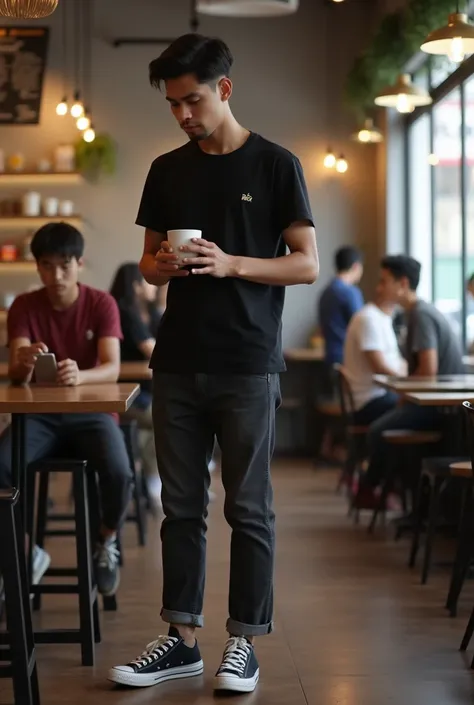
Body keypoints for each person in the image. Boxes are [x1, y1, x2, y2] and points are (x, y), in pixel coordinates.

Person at [109, 33, 318, 694]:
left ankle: (244, 642)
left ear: (224, 89)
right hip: (176, 362)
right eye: (172, 104)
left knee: (248, 507)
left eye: (191, 100)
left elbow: (307, 263)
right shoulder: (167, 170)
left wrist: (232, 264)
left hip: (249, 363)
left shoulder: (277, 165)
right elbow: (145, 263)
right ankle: (181, 639)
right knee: (181, 507)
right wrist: (162, 265)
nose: (182, 115)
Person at [0, 223, 132, 596]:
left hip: (93, 413)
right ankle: (26, 554)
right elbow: (15, 371)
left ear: (79, 263)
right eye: (47, 265)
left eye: (64, 265)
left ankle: (105, 541)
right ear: (37, 267)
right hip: (38, 417)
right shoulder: (25, 306)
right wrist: (24, 361)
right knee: (0, 466)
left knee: (120, 473)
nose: (56, 275)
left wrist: (81, 375)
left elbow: (112, 366)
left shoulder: (101, 303)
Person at [355, 255, 464, 508]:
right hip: (439, 406)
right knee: (386, 426)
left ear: (403, 283)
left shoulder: (421, 315)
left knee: (377, 431)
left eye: (385, 281)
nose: (379, 288)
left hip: (441, 409)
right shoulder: (416, 313)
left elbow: (428, 371)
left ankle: (374, 492)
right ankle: (400, 497)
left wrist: (403, 392)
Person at [110, 263, 164, 511]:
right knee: (166, 417)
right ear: (135, 286)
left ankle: (146, 478)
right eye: (147, 281)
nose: (154, 285)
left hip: (144, 391)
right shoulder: (124, 312)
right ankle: (152, 481)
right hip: (125, 394)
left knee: (162, 417)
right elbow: (153, 350)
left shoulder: (149, 313)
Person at [343, 267, 407, 426]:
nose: (379, 287)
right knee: (424, 411)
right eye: (382, 282)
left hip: (378, 396)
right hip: (368, 402)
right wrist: (407, 383)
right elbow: (379, 367)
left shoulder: (382, 319)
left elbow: (399, 363)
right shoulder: (369, 319)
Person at [318, 246, 364, 366]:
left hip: (330, 355)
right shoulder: (350, 292)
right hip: (347, 357)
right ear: (356, 266)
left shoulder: (326, 292)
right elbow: (361, 326)